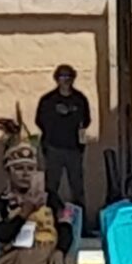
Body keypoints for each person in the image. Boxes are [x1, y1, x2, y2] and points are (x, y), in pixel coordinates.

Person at [34, 64, 93, 210]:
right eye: (62, 76)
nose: (65, 80)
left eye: (69, 76)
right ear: (56, 79)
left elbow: (86, 121)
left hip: (74, 149)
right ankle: (49, 219)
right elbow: (39, 121)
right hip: (53, 148)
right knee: (51, 187)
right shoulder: (48, 100)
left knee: (77, 187)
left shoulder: (80, 99)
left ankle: (81, 222)